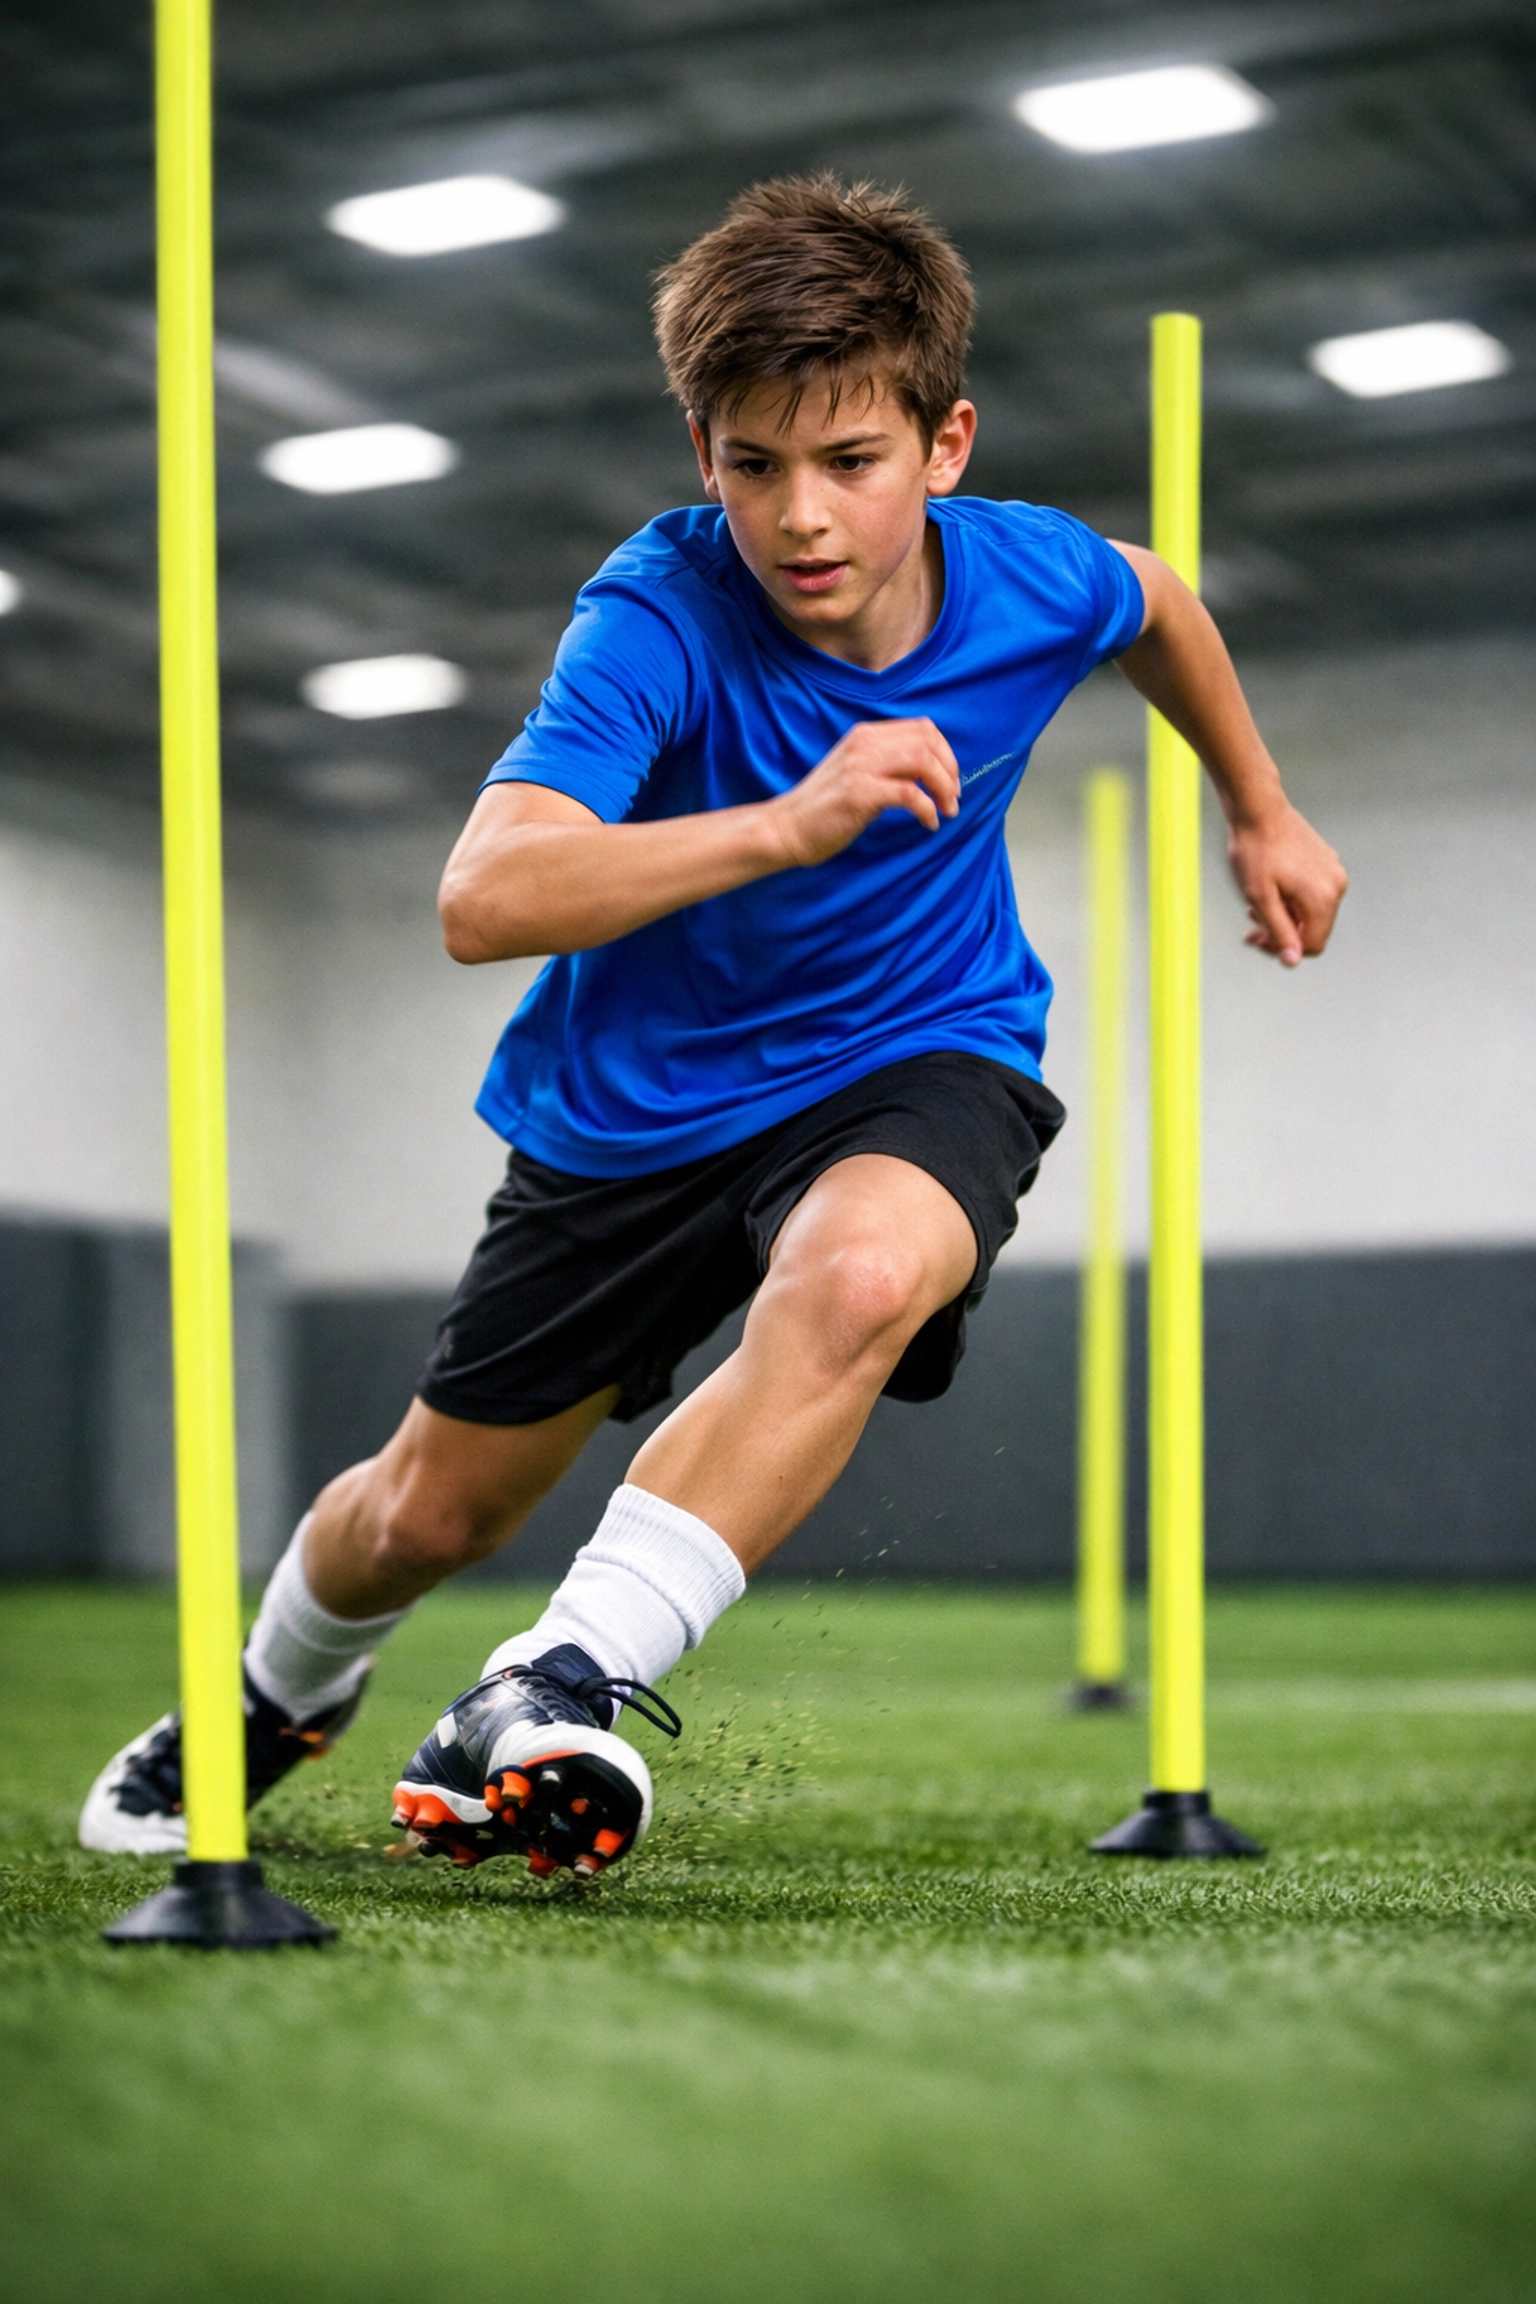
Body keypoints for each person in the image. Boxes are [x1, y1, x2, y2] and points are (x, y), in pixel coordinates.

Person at [81, 175, 1347, 1879]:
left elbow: (1161, 602)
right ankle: (268, 1697)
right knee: (428, 1513)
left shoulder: (1034, 574)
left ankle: (554, 1678)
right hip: (630, 1111)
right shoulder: (660, 610)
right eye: (753, 466)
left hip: (922, 1041)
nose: (801, 518)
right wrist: (789, 823)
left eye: (851, 461)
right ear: (702, 454)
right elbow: (484, 897)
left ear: (946, 445)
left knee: (870, 1275)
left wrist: (1260, 808)